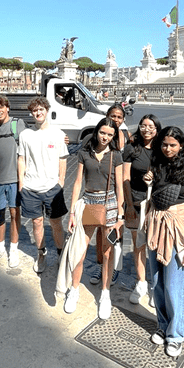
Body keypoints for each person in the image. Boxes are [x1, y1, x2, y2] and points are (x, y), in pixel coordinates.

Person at [144, 126, 184, 358]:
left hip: (178, 226)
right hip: (156, 223)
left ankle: (176, 334)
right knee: (157, 281)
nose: (168, 149)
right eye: (164, 144)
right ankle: (163, 324)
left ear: (181, 146)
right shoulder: (156, 165)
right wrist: (148, 179)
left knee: (174, 285)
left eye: (172, 145)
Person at [64, 118, 125, 319]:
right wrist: (72, 212)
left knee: (107, 253)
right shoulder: (84, 152)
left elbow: (119, 186)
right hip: (89, 202)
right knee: (80, 250)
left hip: (109, 204)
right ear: (97, 131)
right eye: (103, 133)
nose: (105, 137)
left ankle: (105, 294)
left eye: (110, 134)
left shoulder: (116, 156)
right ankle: (74, 290)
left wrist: (120, 215)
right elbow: (77, 182)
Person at [18, 96, 68, 273]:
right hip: (31, 187)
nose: (38, 113)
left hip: (52, 188)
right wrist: (21, 184)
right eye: (34, 110)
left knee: (56, 223)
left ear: (46, 110)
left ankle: (61, 253)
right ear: (31, 113)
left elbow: (63, 159)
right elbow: (21, 159)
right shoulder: (25, 135)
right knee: (37, 223)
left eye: (41, 109)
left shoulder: (59, 134)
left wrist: (61, 182)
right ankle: (41, 254)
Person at [89, 103, 129, 286]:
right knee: (100, 232)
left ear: (123, 119)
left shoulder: (127, 137)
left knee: (117, 232)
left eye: (119, 117)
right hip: (102, 194)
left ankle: (114, 268)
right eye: (113, 116)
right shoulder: (101, 134)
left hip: (121, 190)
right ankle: (101, 264)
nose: (116, 119)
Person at [0, 95, 26, 268]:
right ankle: (0, 247)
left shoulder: (18, 124)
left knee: (15, 214)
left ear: (7, 107)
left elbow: (30, 144)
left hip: (15, 179)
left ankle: (13, 249)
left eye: (1, 107)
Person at [123, 114, 162, 305]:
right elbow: (125, 178)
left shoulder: (163, 148)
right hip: (137, 201)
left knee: (155, 244)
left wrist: (155, 177)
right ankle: (141, 282)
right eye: (143, 125)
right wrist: (128, 205)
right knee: (138, 244)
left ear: (157, 128)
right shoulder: (132, 148)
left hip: (158, 203)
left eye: (151, 126)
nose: (147, 129)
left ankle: (156, 285)